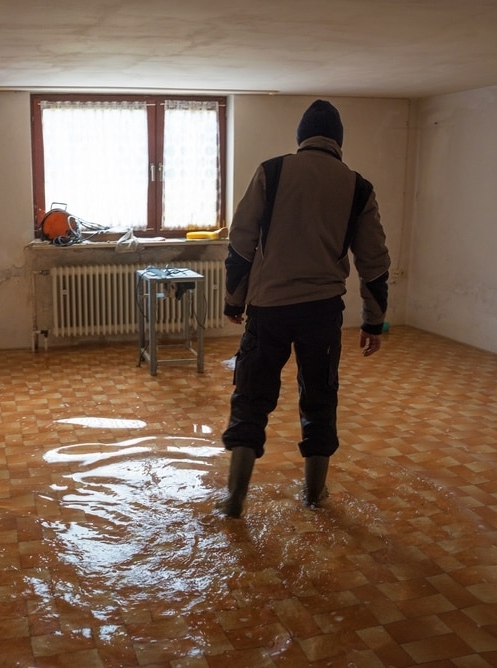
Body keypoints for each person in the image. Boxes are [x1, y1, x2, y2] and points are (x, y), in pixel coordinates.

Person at [218, 99, 390, 518]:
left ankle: (235, 500)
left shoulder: (272, 171)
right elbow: (374, 261)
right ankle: (314, 496)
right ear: (339, 142)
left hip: (269, 308)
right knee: (319, 398)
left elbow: (241, 240)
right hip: (322, 312)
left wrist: (234, 300)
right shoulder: (358, 186)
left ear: (300, 138)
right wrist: (374, 322)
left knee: (251, 399)